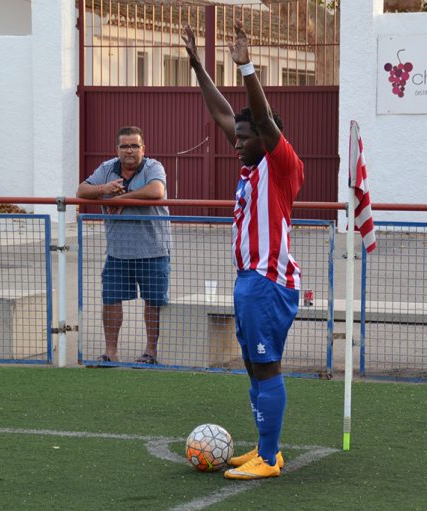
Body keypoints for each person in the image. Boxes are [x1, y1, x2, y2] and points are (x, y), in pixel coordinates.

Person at [183, 22, 304, 480]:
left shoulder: (281, 164)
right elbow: (223, 115)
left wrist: (247, 67)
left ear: (268, 138)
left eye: (245, 137)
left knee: (266, 365)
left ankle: (269, 460)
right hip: (249, 281)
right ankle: (263, 449)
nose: (237, 142)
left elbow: (263, 119)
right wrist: (198, 66)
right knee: (254, 367)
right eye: (237, 137)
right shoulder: (252, 165)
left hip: (267, 281)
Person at [76, 126, 171, 365]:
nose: (130, 151)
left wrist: (120, 199)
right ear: (117, 149)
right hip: (118, 251)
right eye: (125, 146)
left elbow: (157, 190)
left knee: (153, 301)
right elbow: (81, 190)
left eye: (134, 146)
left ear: (143, 148)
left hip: (153, 250)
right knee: (111, 300)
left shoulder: (153, 167)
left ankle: (150, 352)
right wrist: (103, 189)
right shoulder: (107, 169)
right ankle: (111, 352)